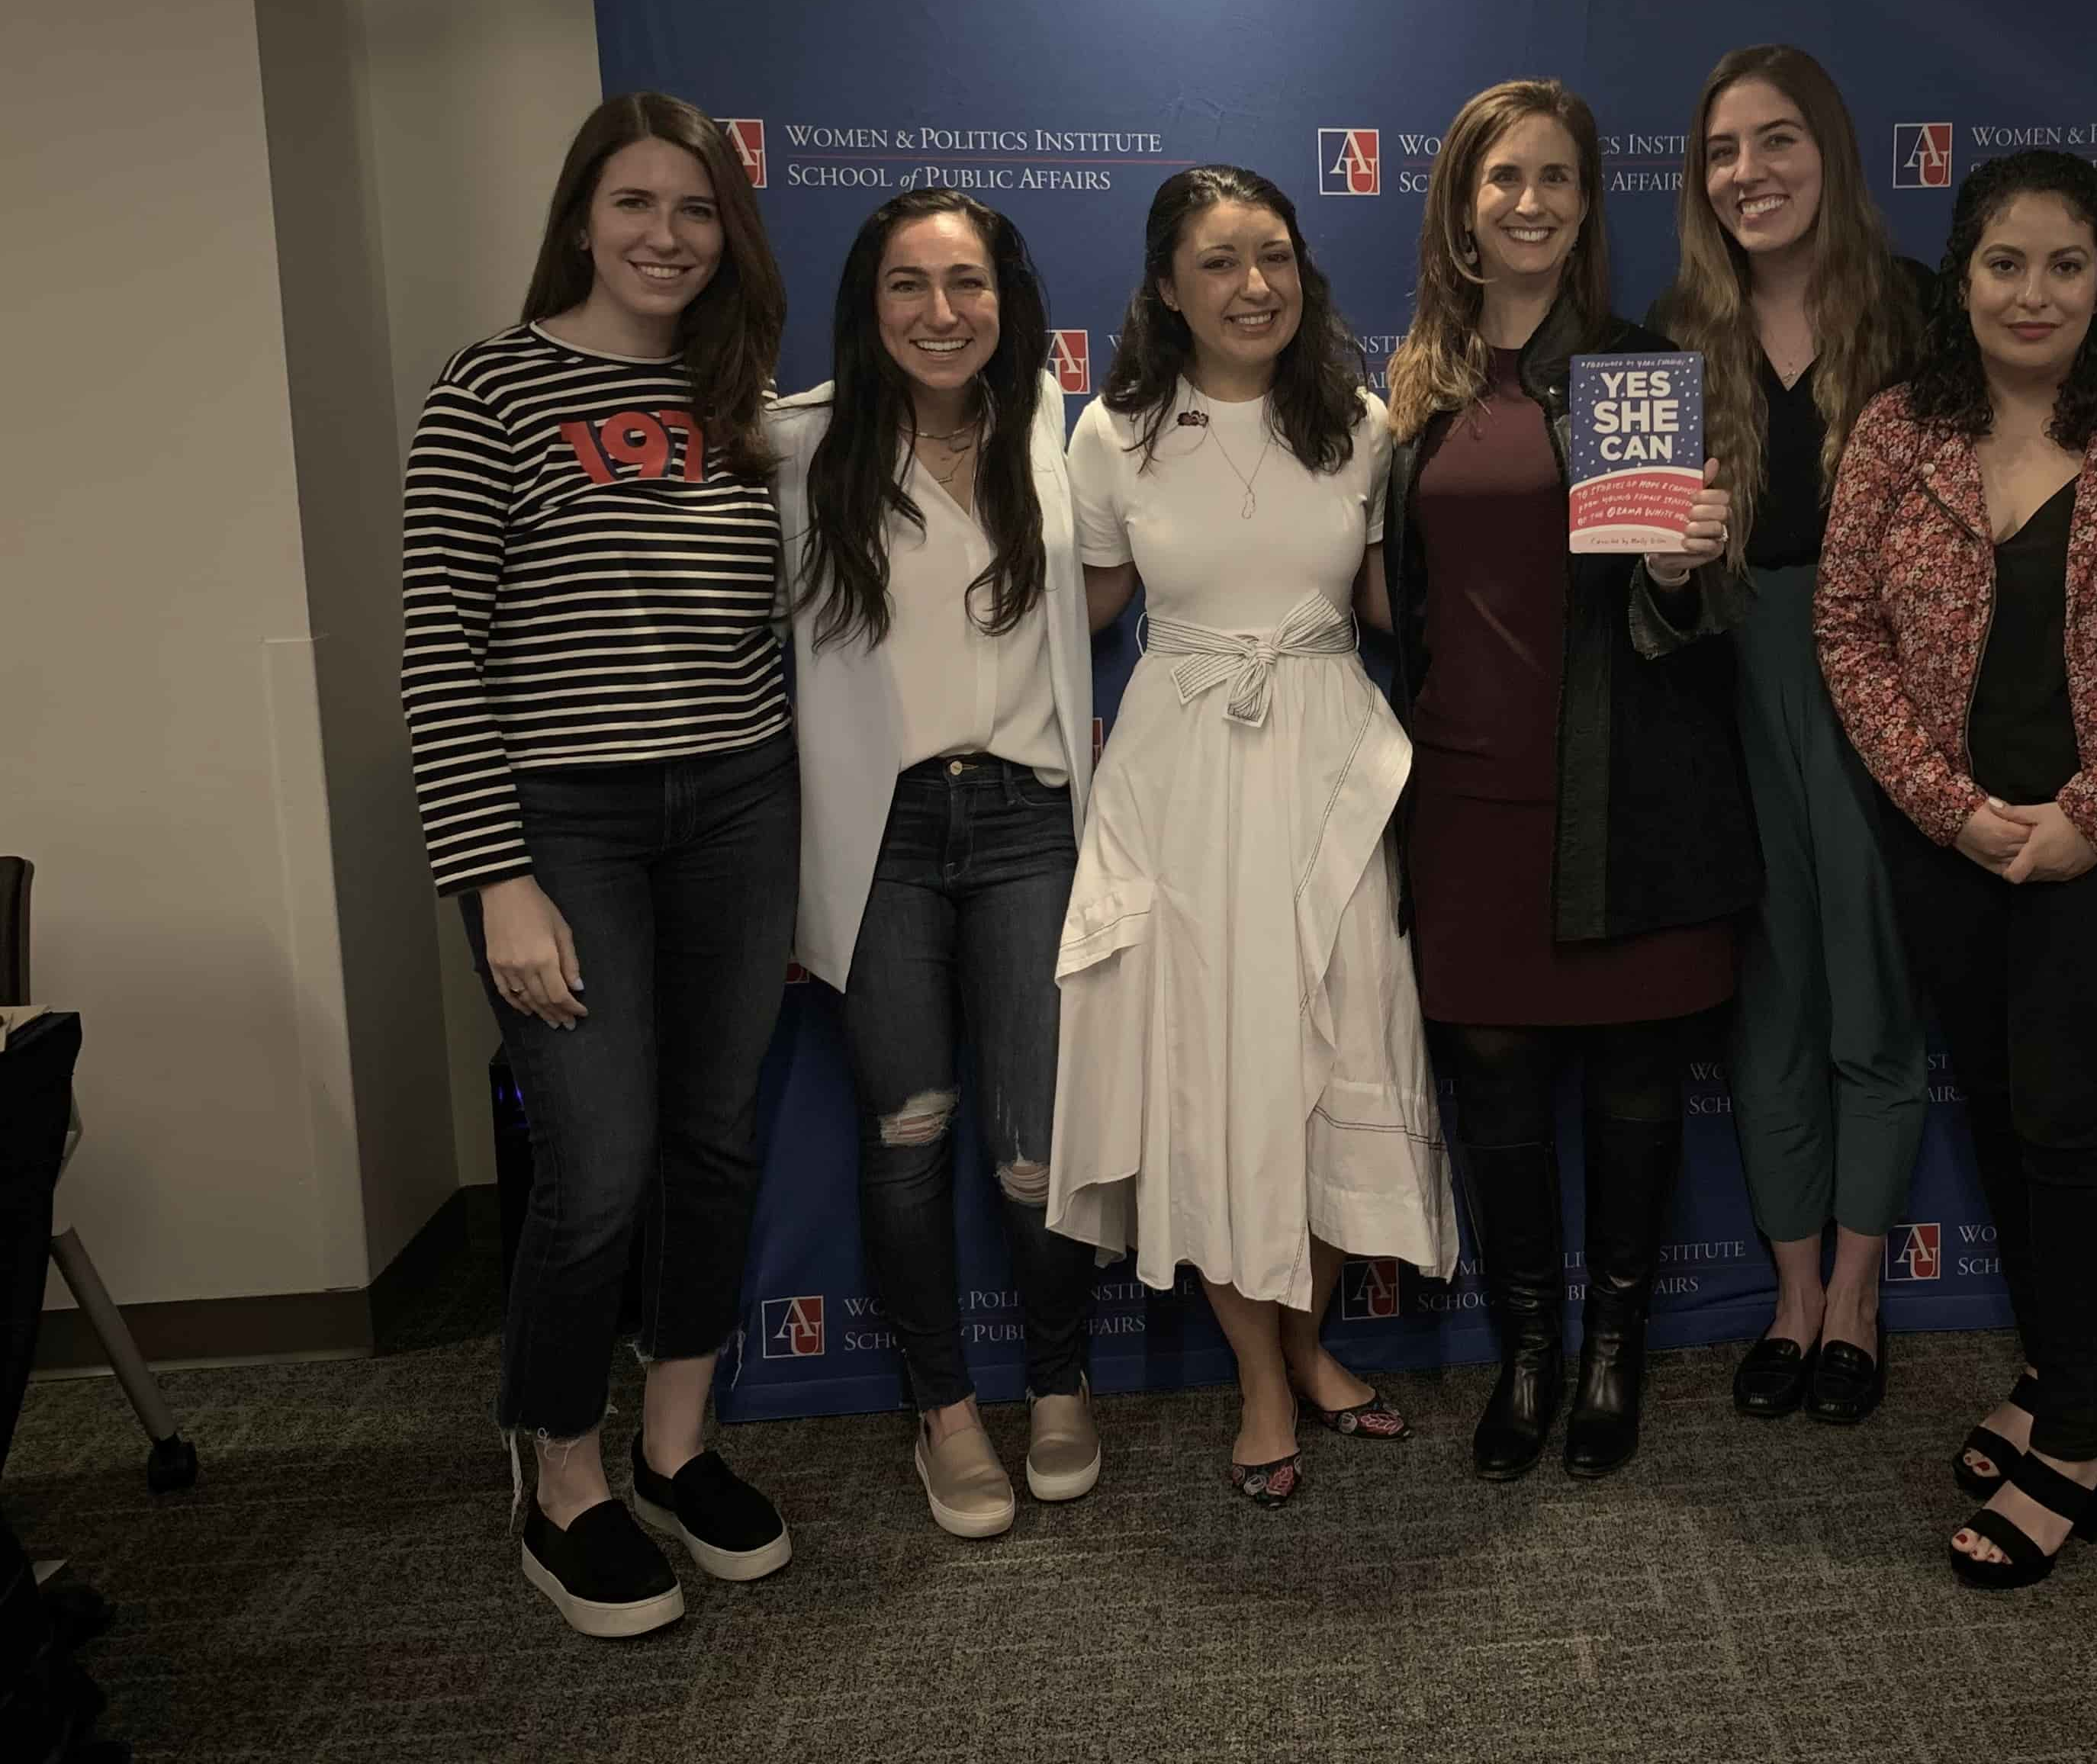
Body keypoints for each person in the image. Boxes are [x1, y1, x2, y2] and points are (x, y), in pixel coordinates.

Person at [1817, 149, 2097, 1590]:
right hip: (1949, 843)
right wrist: (1953, 810)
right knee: (2003, 1115)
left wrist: (2091, 815)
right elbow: (1847, 636)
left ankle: (2074, 1434)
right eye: (2006, 263)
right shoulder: (1898, 432)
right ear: (1965, 277)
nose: (2034, 292)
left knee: (2068, 1120)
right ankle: (2057, 1367)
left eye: (2066, 265)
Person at [398, 91, 796, 1638]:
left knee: (715, 1143)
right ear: (580, 215)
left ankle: (677, 1444)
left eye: (696, 212)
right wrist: (494, 876)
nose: (665, 236)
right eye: (635, 204)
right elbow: (439, 647)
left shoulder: (742, 395)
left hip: (740, 807)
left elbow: (782, 635)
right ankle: (560, 1473)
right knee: (601, 1164)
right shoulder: (487, 389)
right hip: (564, 826)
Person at [1046, 165, 1458, 1509]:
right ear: (1167, 286)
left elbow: (1406, 602)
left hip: (1332, 763)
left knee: (1337, 1048)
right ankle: (1265, 1382)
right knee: (1215, 1077)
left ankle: (1312, 1337)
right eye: (1218, 263)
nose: (1253, 286)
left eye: (1273, 257)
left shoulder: (1361, 424)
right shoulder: (1112, 436)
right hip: (1179, 780)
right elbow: (1079, 607)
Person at [1383, 79, 1754, 1483]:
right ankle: (1527, 1351)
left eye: (1556, 178)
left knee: (1635, 1081)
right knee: (1492, 1082)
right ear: (1461, 205)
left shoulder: (1632, 371)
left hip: (1624, 789)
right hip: (1468, 797)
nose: (1529, 202)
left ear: (1588, 203)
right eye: (1502, 179)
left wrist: (1677, 568)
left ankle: (1613, 1354)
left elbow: (1672, 621)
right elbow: (1400, 605)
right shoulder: (1416, 382)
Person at [771, 189, 1102, 1543]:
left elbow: (1106, 588)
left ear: (1006, 302)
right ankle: (944, 1410)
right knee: (909, 1141)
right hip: (884, 837)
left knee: (1037, 1153)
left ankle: (1060, 1385)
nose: (939, 312)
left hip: (1028, 818)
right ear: (869, 304)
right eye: (908, 286)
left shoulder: (1052, 424)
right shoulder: (798, 445)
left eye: (965, 284)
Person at [1653, 44, 1928, 1427]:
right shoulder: (1662, 343)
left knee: (1872, 999)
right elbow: (1622, 579)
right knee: (1767, 1010)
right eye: (1721, 151)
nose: (1747, 174)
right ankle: (1792, 1295)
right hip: (1724, 693)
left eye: (1774, 142)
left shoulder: (1923, 319)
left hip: (1885, 696)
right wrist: (1660, 560)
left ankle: (1863, 1301)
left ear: (1830, 150)